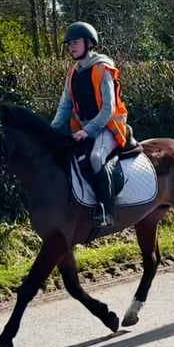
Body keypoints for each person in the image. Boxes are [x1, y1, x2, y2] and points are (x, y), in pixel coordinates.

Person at [51, 21, 129, 227]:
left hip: (109, 128)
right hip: (84, 130)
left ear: (88, 43)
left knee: (95, 157)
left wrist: (87, 131)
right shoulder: (73, 72)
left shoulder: (103, 68)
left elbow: (108, 109)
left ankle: (107, 211)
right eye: (69, 44)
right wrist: (50, 132)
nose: (71, 47)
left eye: (75, 42)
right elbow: (64, 106)